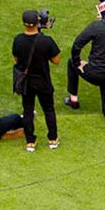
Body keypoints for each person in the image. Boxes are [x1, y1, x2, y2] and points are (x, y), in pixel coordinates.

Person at [66, 0, 105, 137]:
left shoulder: (96, 26)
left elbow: (77, 45)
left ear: (103, 13)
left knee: (71, 63)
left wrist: (78, 63)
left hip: (93, 72)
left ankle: (73, 100)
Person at [11, 12, 63, 152]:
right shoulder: (46, 41)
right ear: (38, 23)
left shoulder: (18, 40)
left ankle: (30, 142)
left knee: (27, 110)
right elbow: (57, 61)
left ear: (23, 23)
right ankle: (52, 139)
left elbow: (16, 60)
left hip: (26, 83)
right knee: (48, 110)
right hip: (43, 81)